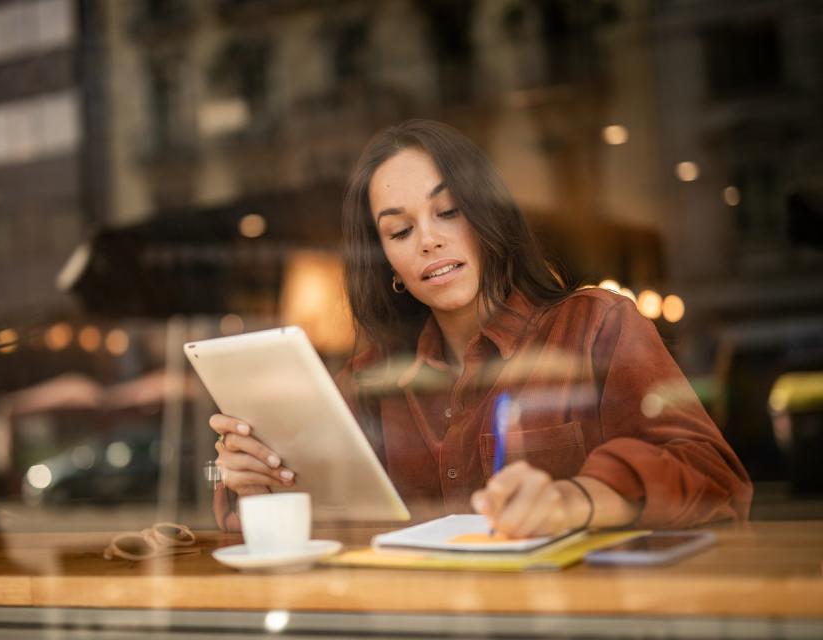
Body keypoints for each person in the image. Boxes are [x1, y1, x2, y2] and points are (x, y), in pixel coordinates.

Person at [209, 119, 752, 536]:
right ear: (387, 262)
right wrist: (257, 484)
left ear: (487, 214)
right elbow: (325, 528)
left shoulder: (595, 326)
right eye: (399, 231)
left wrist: (578, 499)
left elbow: (716, 479)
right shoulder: (372, 379)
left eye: (448, 212)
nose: (428, 240)